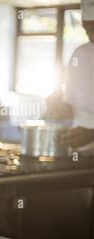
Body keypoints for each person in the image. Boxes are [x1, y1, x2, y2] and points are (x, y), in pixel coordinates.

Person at [49, 0, 94, 148]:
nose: (90, 35)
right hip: (81, 152)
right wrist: (57, 105)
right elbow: (72, 107)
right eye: (87, 29)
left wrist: (92, 134)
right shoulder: (80, 54)